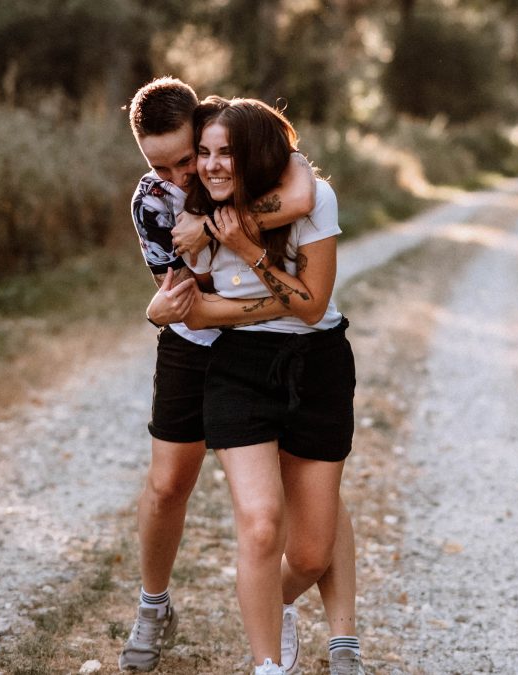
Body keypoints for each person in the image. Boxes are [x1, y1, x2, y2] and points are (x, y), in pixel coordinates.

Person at [148, 96, 364, 675]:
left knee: (312, 552)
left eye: (227, 153)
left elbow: (314, 309)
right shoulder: (192, 217)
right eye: (204, 153)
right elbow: (196, 314)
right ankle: (267, 664)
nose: (211, 165)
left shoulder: (311, 200)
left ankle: (275, 600)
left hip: (318, 367)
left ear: (258, 157)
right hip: (240, 368)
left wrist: (247, 252)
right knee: (262, 524)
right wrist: (279, 301)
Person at [120, 76, 317, 673]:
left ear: (203, 129)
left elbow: (302, 193)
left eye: (185, 159)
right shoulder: (151, 202)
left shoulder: (245, 154)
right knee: (168, 485)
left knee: (292, 487)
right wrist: (160, 309)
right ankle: (153, 604)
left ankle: (284, 602)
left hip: (267, 343)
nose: (180, 176)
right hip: (196, 343)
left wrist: (209, 227)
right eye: (160, 165)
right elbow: (184, 297)